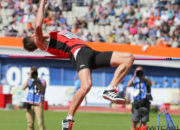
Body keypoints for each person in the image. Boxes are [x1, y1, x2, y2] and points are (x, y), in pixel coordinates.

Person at [22, 0, 134, 129]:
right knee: (86, 86)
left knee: (128, 58)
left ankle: (111, 88)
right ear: (34, 37)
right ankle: (68, 118)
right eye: (35, 35)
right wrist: (42, 3)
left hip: (89, 52)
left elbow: (42, 32)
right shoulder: (41, 43)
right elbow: (37, 26)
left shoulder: (50, 37)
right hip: (79, 53)